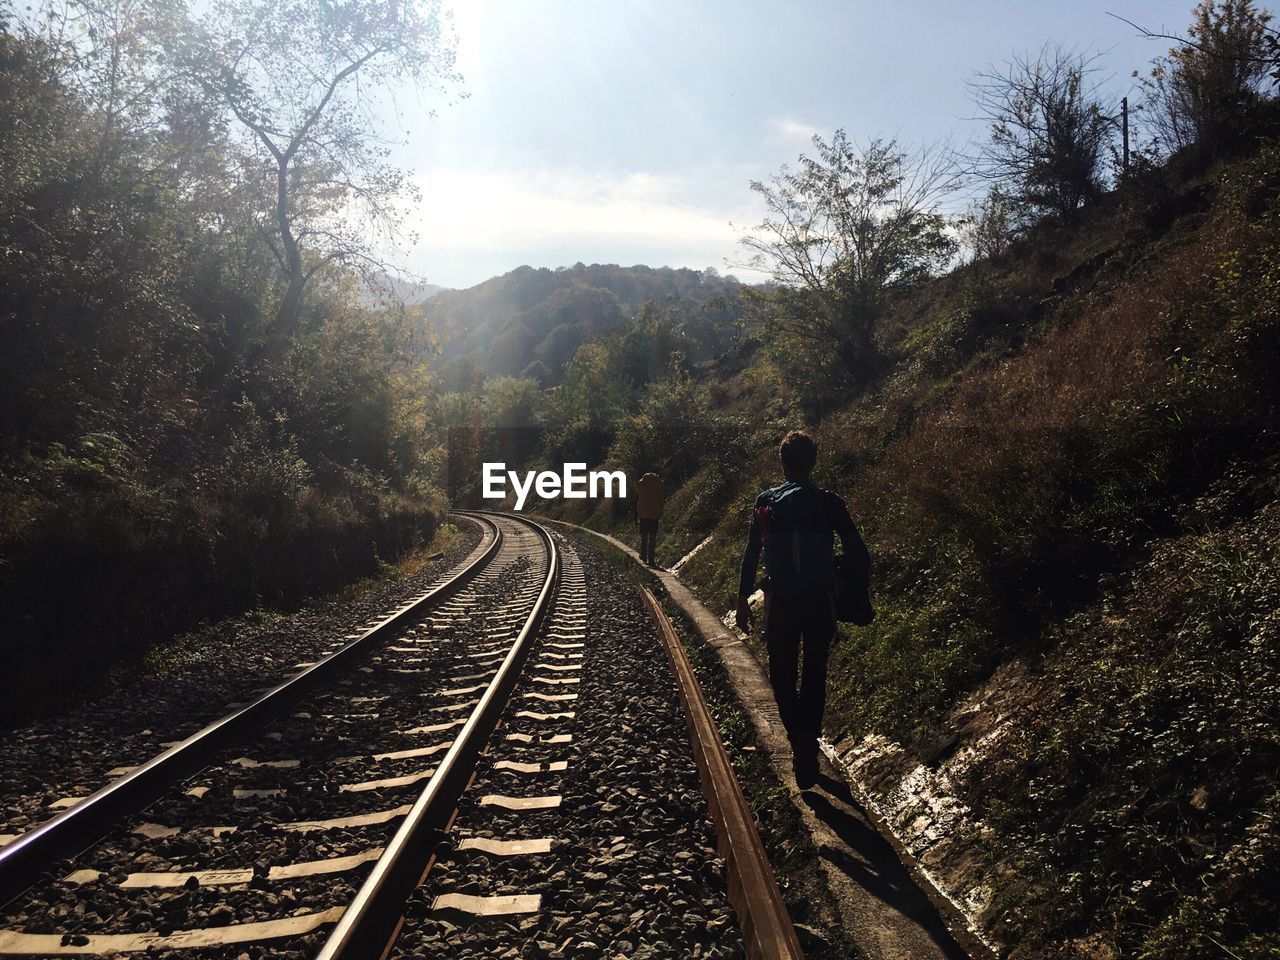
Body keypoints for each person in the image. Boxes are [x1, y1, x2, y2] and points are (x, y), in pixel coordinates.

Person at [736, 430, 869, 789]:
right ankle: (807, 740)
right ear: (813, 461)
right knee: (814, 673)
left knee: (781, 674)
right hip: (819, 601)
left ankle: (798, 740)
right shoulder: (829, 502)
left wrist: (742, 600)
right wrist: (836, 572)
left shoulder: (767, 501)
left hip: (781, 602)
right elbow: (858, 550)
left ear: (782, 462)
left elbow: (752, 553)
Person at [635, 470, 664, 567]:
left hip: (643, 514)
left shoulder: (642, 483)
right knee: (652, 538)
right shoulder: (658, 483)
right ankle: (651, 559)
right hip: (654, 515)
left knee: (644, 536)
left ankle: (643, 555)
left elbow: (638, 496)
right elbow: (661, 498)